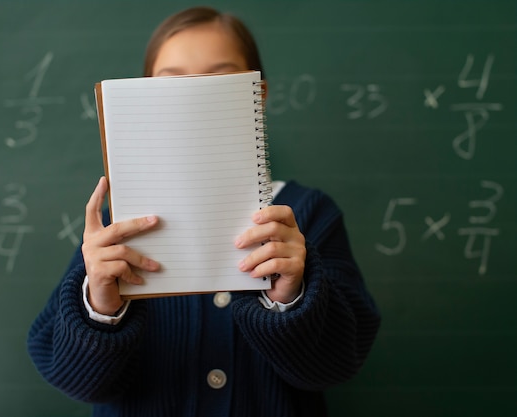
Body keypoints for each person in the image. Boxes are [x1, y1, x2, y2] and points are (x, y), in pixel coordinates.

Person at [27, 6, 381, 416]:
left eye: (220, 79)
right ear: (142, 100)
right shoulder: (117, 227)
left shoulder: (309, 214)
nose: (193, 99)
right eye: (171, 82)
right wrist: (100, 307)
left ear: (257, 96)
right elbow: (72, 377)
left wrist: (292, 299)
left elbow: (337, 365)